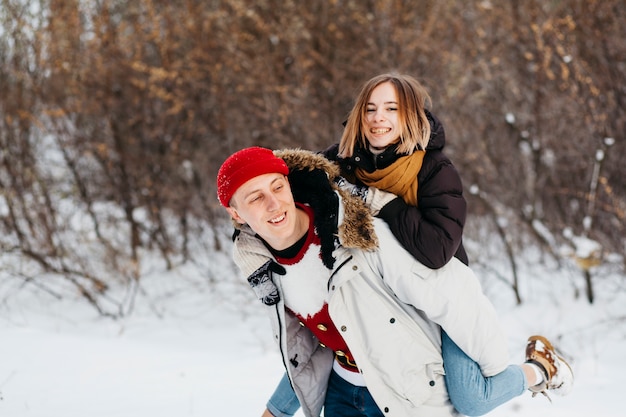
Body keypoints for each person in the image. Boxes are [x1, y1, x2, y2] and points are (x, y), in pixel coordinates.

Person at [216, 146, 572, 417]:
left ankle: (539, 369)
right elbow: (312, 344)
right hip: (342, 394)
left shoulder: (357, 236)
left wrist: (486, 380)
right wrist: (276, 410)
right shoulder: (261, 268)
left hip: (408, 390)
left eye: (277, 187)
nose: (273, 203)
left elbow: (449, 294)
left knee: (474, 398)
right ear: (236, 213)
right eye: (255, 198)